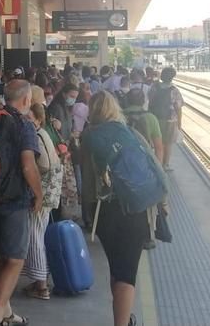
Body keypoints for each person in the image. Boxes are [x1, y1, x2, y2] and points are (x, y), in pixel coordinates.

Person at [82, 92, 168, 326]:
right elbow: (155, 168)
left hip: (105, 213)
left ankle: (123, 317)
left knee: (117, 269)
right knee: (127, 275)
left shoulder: (88, 138)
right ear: (114, 109)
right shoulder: (131, 133)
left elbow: (88, 185)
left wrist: (89, 214)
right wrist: (162, 200)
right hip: (135, 212)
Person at [0, 80, 42, 326]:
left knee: (2, 256)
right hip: (14, 198)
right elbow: (28, 164)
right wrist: (39, 194)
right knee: (16, 258)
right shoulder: (23, 124)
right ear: (26, 99)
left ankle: (6, 310)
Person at [20, 103, 62, 300]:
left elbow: (44, 164)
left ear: (38, 119)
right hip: (50, 193)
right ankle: (39, 281)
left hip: (42, 194)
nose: (26, 121)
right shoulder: (43, 133)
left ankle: (42, 286)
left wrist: (32, 178)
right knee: (39, 233)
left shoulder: (35, 136)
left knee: (35, 236)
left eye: (30, 118)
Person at [150, 68, 184, 170]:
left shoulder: (154, 87)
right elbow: (178, 108)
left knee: (157, 142)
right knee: (168, 143)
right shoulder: (174, 90)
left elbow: (149, 100)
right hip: (169, 120)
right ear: (172, 77)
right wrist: (179, 123)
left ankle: (157, 163)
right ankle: (165, 165)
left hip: (155, 118)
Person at [122, 89, 164, 164]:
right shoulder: (151, 117)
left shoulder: (118, 116)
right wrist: (159, 170)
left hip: (124, 162)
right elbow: (159, 147)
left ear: (127, 100)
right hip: (144, 162)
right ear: (143, 101)